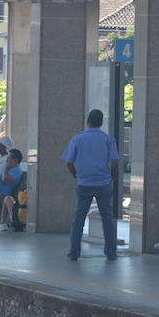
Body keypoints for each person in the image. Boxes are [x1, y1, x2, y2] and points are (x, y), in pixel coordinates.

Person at [63, 109, 120, 261]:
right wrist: (111, 178)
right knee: (107, 219)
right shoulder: (108, 139)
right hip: (103, 183)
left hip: (84, 183)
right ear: (101, 123)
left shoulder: (77, 139)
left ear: (88, 121)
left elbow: (68, 162)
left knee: (79, 218)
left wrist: (77, 175)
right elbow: (115, 162)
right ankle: (111, 252)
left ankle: (74, 251)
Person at [0, 148, 25, 232]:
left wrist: (6, 168)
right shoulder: (12, 170)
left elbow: (5, 180)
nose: (7, 160)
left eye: (9, 158)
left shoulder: (17, 171)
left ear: (15, 160)